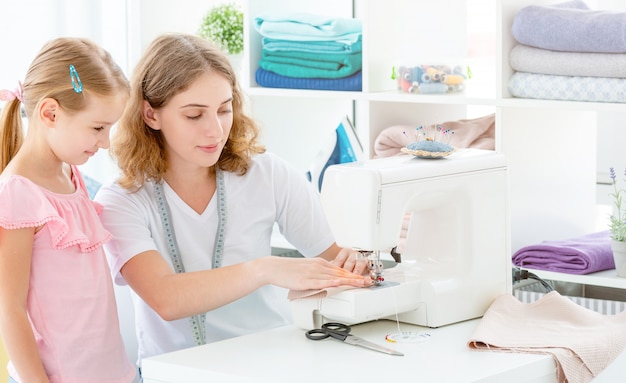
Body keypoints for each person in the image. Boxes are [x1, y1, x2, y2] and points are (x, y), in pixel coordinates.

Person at [94, 33, 373, 368]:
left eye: (224, 110)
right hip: (174, 373)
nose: (215, 130)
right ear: (150, 115)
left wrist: (356, 265)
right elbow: (165, 298)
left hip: (269, 362)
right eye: (194, 115)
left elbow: (335, 261)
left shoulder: (269, 175)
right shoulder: (122, 200)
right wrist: (265, 269)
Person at [0, 38, 137, 383]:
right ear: (50, 113)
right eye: (97, 128)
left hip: (114, 374)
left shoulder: (71, 172)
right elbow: (10, 309)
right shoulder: (16, 194)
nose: (105, 142)